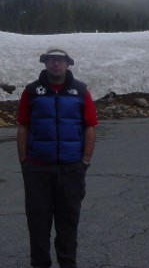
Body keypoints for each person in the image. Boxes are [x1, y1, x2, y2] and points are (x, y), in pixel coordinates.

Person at [17, 47, 98, 268]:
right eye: (51, 60)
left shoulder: (81, 91)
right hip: (38, 170)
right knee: (38, 223)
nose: (56, 64)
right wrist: (25, 162)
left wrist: (84, 162)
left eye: (60, 60)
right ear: (45, 63)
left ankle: (67, 264)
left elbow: (90, 127)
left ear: (68, 64)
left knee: (68, 223)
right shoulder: (32, 91)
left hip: (71, 169)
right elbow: (23, 126)